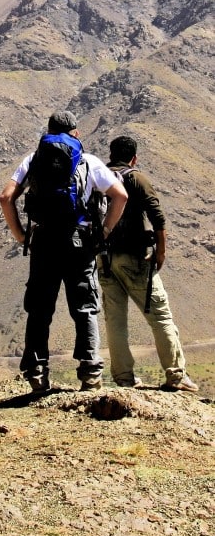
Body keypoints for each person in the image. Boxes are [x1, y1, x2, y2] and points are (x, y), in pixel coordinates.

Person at [0, 111, 128, 393]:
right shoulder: (87, 161)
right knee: (84, 307)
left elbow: (6, 198)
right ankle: (90, 374)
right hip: (79, 241)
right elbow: (121, 195)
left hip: (43, 240)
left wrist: (21, 235)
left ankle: (37, 374)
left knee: (40, 308)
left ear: (48, 131)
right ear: (76, 133)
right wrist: (104, 232)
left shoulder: (33, 160)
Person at [98, 135, 198, 393]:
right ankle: (176, 376)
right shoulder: (136, 178)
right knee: (160, 316)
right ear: (134, 157)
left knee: (115, 319)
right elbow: (158, 218)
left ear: (111, 154)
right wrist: (160, 253)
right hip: (135, 258)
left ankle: (123, 378)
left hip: (105, 259)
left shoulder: (99, 178)